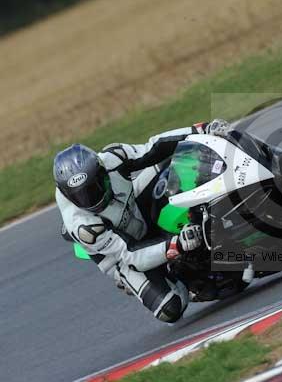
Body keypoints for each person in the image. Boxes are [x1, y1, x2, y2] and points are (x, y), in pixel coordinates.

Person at [54, 119, 231, 323]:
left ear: (102, 173)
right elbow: (131, 254)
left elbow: (153, 148)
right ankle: (178, 275)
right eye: (80, 196)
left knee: (175, 160)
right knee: (171, 308)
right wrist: (177, 244)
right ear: (68, 195)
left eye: (93, 188)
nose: (90, 199)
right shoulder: (84, 226)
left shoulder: (113, 158)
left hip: (134, 207)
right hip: (124, 256)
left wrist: (200, 130)